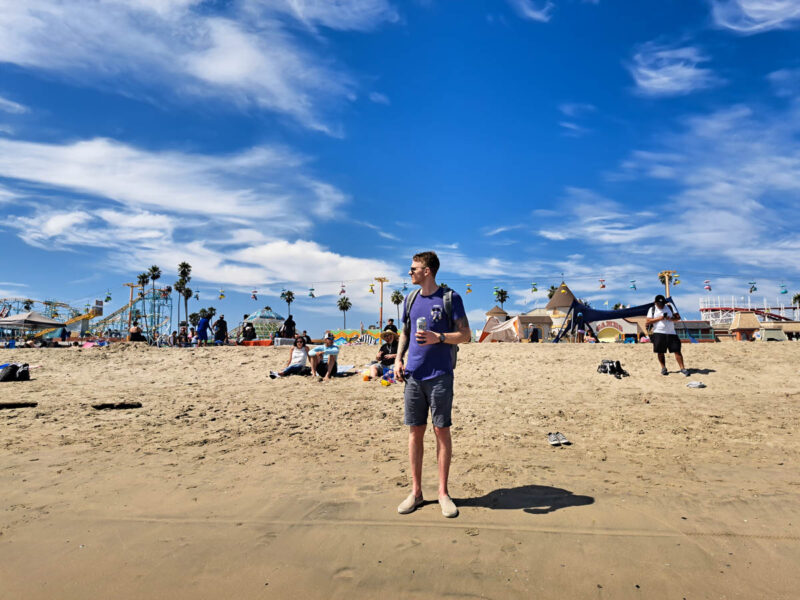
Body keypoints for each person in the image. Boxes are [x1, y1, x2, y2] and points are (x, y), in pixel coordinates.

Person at [395, 251, 470, 518]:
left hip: (440, 376)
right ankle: (416, 492)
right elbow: (405, 332)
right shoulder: (410, 298)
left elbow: (465, 335)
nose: (410, 272)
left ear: (427, 271)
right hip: (413, 376)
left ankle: (442, 493)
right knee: (415, 433)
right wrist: (398, 359)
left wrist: (438, 336)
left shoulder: (450, 298)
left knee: (441, 432)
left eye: (413, 268)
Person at [646, 294, 689, 376]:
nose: (661, 306)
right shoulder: (652, 309)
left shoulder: (669, 307)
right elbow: (648, 321)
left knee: (677, 351)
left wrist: (670, 319)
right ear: (655, 303)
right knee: (660, 352)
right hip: (658, 332)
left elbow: (678, 317)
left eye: (662, 304)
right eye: (659, 304)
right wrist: (660, 318)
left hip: (672, 332)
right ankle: (663, 368)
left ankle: (682, 368)